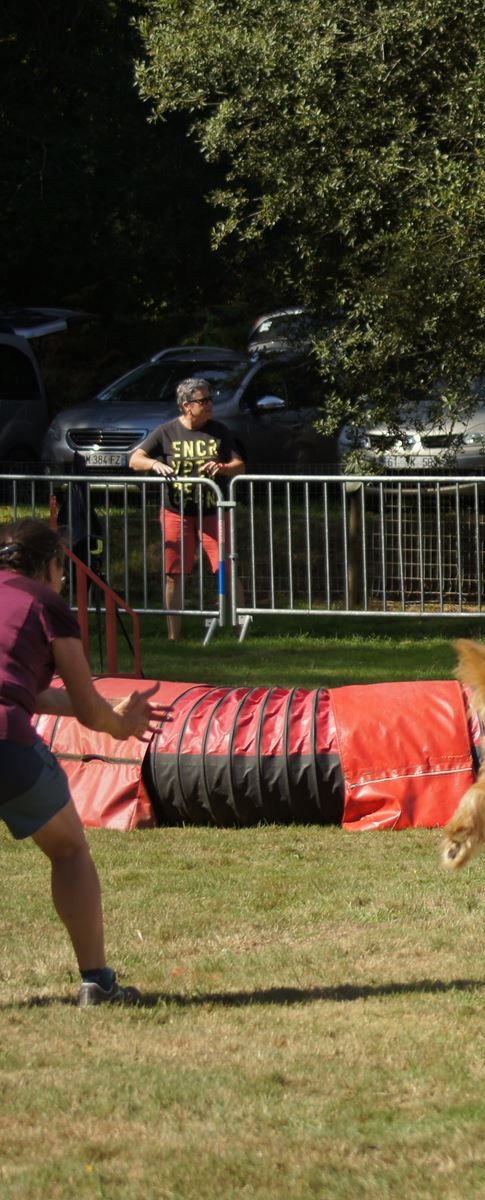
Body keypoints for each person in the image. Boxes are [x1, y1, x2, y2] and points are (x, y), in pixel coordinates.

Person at [0, 519, 159, 1005]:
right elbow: (86, 710)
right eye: (62, 569)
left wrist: (98, 709)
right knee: (69, 849)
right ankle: (97, 982)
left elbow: (27, 690)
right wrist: (119, 725)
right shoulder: (45, 604)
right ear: (49, 565)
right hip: (6, 743)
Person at [128, 377, 246, 639]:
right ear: (186, 405)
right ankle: (174, 636)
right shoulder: (166, 431)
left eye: (210, 399)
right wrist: (154, 465)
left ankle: (241, 630)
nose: (210, 404)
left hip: (214, 510)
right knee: (174, 573)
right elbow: (135, 459)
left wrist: (224, 468)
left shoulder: (220, 431)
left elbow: (240, 464)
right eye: (203, 400)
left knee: (227, 567)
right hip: (176, 511)